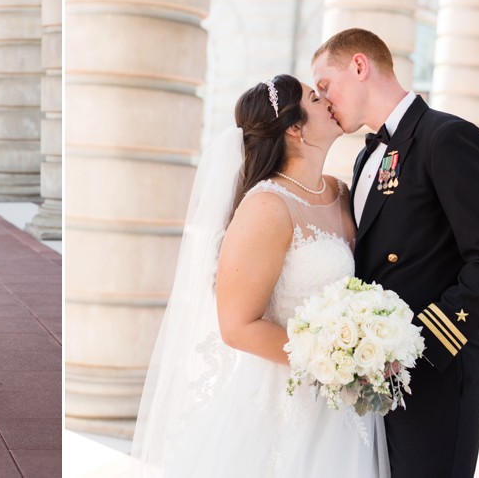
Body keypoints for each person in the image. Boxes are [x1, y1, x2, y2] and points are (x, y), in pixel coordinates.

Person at [131, 74, 388, 477]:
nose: (328, 101)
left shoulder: (341, 193)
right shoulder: (267, 206)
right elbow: (236, 326)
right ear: (294, 128)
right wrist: (332, 360)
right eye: (315, 98)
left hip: (344, 403)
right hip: (285, 400)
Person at [311, 27, 479, 478]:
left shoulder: (447, 138)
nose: (323, 100)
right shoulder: (366, 157)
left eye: (325, 85)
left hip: (437, 373)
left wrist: (417, 347)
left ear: (359, 66)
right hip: (380, 375)